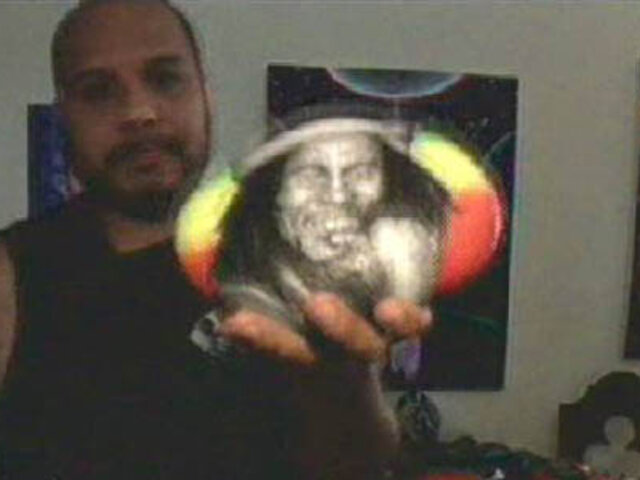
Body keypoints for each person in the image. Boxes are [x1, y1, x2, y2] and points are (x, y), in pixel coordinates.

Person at [0, 1, 431, 479]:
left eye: (165, 79)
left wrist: (345, 382)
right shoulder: (15, 271)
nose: (139, 112)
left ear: (206, 94)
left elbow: (357, 463)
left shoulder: (292, 258)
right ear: (64, 116)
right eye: (98, 91)